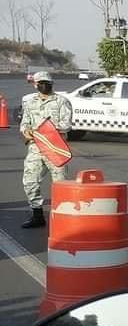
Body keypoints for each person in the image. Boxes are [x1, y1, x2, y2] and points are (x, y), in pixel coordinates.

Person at [19, 70, 73, 228]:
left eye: (47, 83)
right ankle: (37, 214)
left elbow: (67, 124)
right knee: (29, 182)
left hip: (55, 148)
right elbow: (25, 123)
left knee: (60, 184)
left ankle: (62, 216)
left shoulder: (61, 101)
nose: (44, 86)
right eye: (40, 83)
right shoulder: (30, 103)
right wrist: (26, 131)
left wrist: (47, 130)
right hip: (35, 148)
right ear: (35, 85)